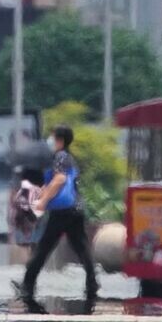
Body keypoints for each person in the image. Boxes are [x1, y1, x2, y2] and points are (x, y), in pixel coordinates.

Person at [15, 125, 98, 307]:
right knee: (81, 247)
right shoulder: (69, 158)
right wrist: (41, 194)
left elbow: (59, 180)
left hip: (63, 211)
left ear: (60, 141)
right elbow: (59, 182)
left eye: (52, 138)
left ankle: (27, 286)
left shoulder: (60, 157)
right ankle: (92, 285)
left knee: (43, 247)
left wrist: (43, 201)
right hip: (75, 209)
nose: (49, 141)